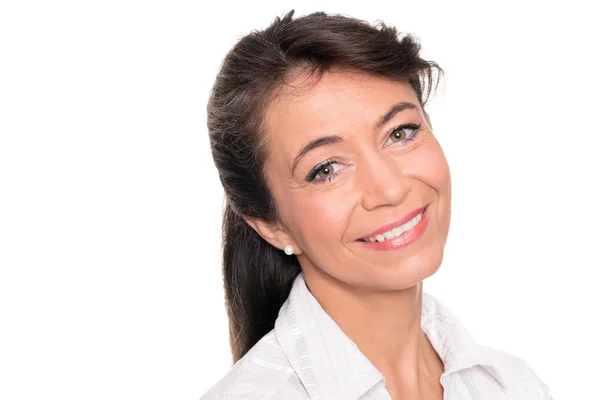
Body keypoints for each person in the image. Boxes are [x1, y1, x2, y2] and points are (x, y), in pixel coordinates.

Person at [200, 9, 553, 400]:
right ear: (271, 225)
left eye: (400, 133)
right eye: (326, 169)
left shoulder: (511, 385)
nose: (389, 189)